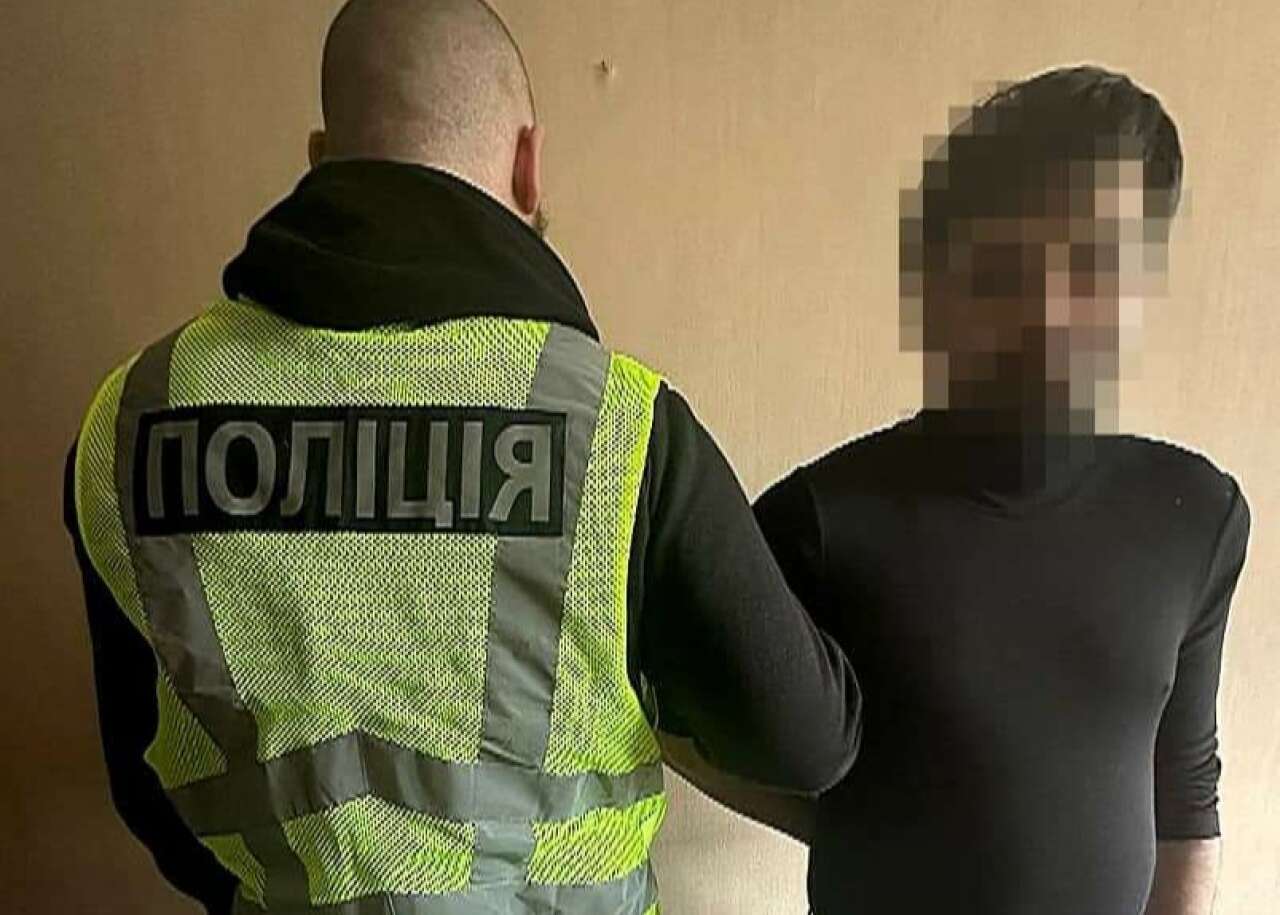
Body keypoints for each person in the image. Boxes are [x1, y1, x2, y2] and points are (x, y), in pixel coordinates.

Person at [62, 1, 862, 912]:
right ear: (527, 163)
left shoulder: (134, 417)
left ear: (323, 160)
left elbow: (146, 782)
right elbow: (806, 743)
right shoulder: (613, 426)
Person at [667, 66, 1250, 915]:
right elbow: (677, 712)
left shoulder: (1197, 517)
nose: (1052, 308)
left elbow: (1186, 793)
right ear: (951, 277)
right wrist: (850, 821)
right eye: (1013, 265)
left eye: (1096, 264)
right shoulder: (823, 522)